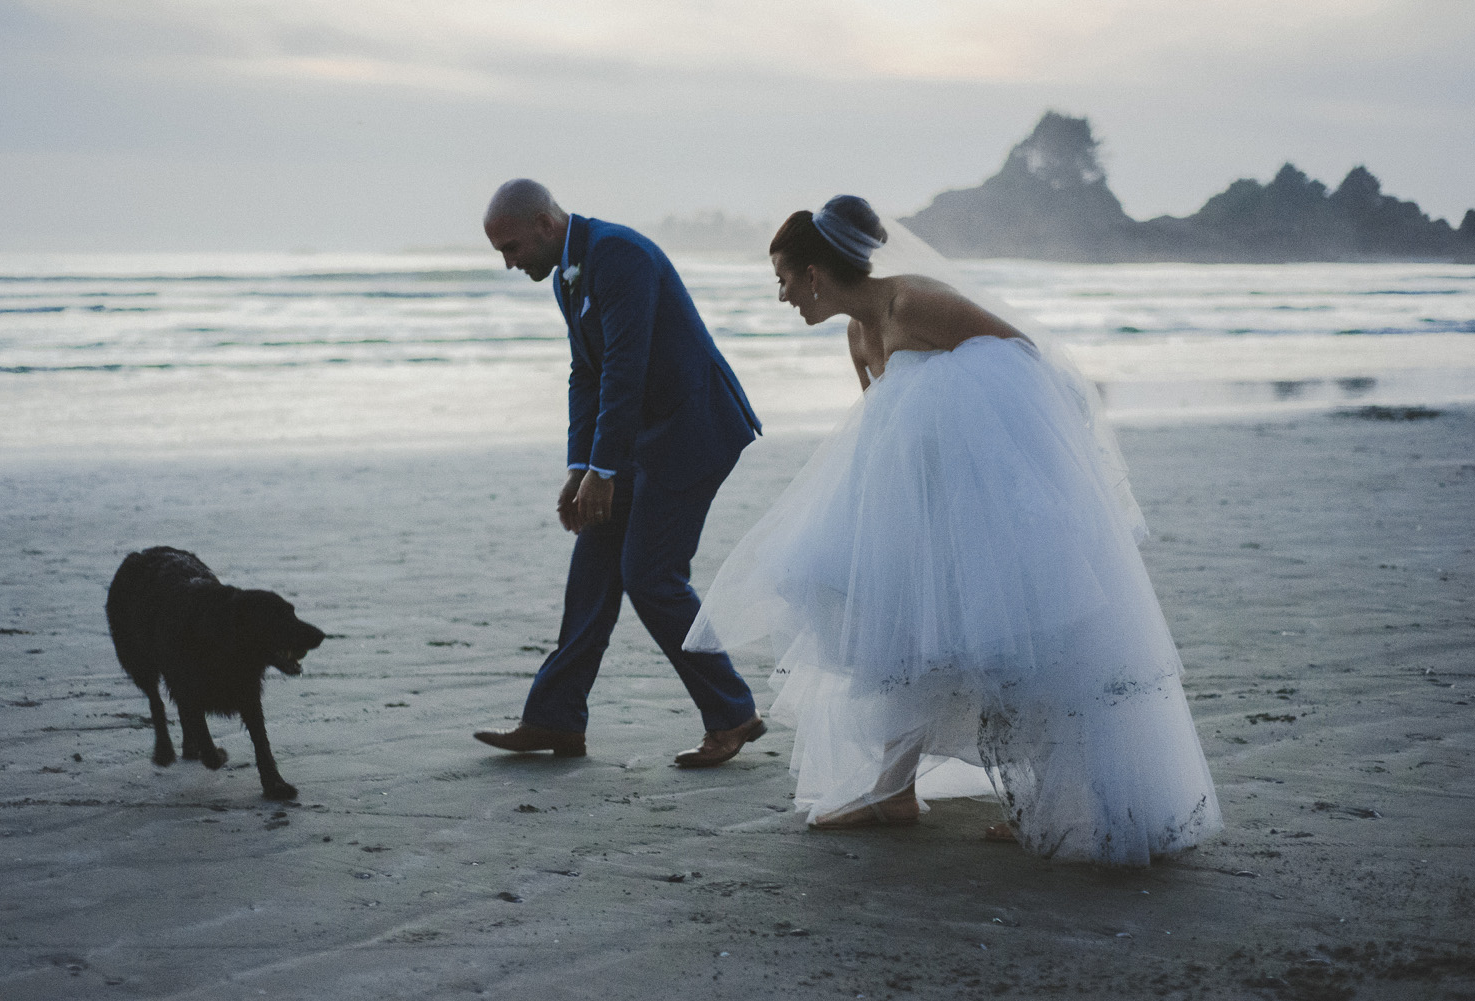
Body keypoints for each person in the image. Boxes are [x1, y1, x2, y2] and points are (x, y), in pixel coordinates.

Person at [684, 196, 1222, 864]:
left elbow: (1023, 358)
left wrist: (971, 433)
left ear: (817, 272)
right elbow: (883, 428)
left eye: (785, 278)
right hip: (920, 505)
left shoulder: (914, 303)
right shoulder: (858, 334)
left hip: (990, 504)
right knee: (900, 635)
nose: (784, 295)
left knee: (1016, 651)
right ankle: (892, 789)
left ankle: (1060, 801)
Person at [474, 179, 767, 768]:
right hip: (635, 439)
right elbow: (587, 373)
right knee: (593, 568)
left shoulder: (619, 256)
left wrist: (603, 470)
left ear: (545, 224)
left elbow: (625, 371)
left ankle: (733, 713)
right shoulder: (566, 275)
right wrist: (580, 466)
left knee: (651, 575)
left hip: (693, 432)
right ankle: (555, 719)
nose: (508, 263)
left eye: (510, 248)